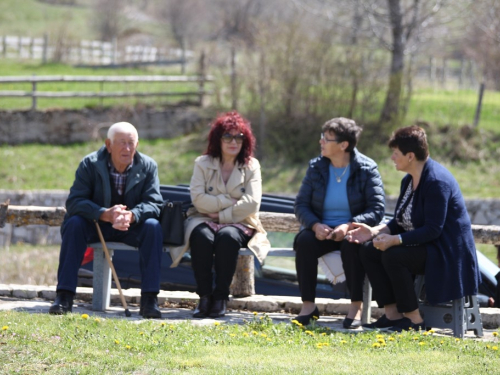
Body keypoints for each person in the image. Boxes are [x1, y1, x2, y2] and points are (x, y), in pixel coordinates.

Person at [346, 125, 480, 332]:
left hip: (446, 251)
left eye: (395, 153)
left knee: (394, 255)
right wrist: (374, 232)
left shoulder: (436, 182)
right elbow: (399, 221)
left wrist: (395, 240)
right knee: (369, 251)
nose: (392, 158)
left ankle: (414, 320)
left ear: (410, 156)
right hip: (425, 246)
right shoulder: (408, 180)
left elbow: (433, 230)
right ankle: (392, 315)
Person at [49, 122, 164, 319]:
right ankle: (64, 296)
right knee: (74, 223)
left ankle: (149, 300)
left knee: (153, 227)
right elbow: (75, 201)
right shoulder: (90, 163)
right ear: (109, 145)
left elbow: (155, 204)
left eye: (131, 143)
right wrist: (104, 213)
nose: (127, 148)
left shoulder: (148, 166)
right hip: (97, 225)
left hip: (131, 226)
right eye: (121, 143)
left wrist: (133, 215)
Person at [170, 111, 270, 318]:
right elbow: (198, 199)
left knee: (227, 237)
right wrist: (228, 203)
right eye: (228, 136)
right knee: (201, 237)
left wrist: (221, 215)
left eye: (239, 137)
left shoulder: (252, 165)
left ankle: (221, 297)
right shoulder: (202, 163)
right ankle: (204, 297)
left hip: (239, 221)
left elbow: (252, 203)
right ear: (218, 139)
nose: (233, 142)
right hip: (204, 218)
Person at [293, 117, 385, 327]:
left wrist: (349, 225)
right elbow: (301, 205)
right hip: (322, 231)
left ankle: (356, 305)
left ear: (344, 145)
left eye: (327, 138)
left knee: (352, 244)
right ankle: (308, 306)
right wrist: (315, 225)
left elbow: (377, 209)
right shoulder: (316, 167)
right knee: (304, 241)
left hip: (350, 230)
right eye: (322, 137)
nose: (321, 142)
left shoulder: (367, 168)